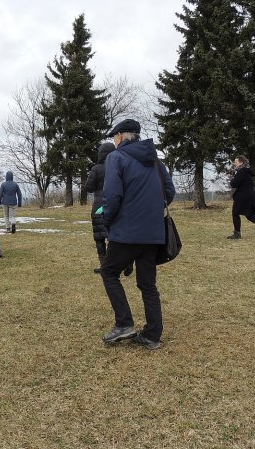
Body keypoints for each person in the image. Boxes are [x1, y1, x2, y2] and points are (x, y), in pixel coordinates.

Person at [100, 119, 176, 350]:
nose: (114, 141)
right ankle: (152, 335)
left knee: (109, 272)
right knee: (148, 284)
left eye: (115, 136)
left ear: (122, 136)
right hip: (153, 234)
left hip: (125, 232)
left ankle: (124, 324)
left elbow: (112, 196)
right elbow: (170, 192)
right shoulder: (155, 161)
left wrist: (107, 221)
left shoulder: (116, 158)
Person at [85, 142, 116, 273]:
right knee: (114, 237)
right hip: (115, 206)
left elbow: (88, 188)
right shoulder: (117, 167)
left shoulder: (96, 169)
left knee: (99, 238)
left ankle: (105, 266)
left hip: (99, 207)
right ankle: (122, 263)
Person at [227, 155, 255, 240]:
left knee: (235, 213)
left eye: (236, 162)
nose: (234, 163)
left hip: (242, 196)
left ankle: (237, 234)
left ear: (241, 162)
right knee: (249, 214)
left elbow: (233, 184)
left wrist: (233, 177)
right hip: (250, 195)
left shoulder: (241, 171)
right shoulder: (247, 171)